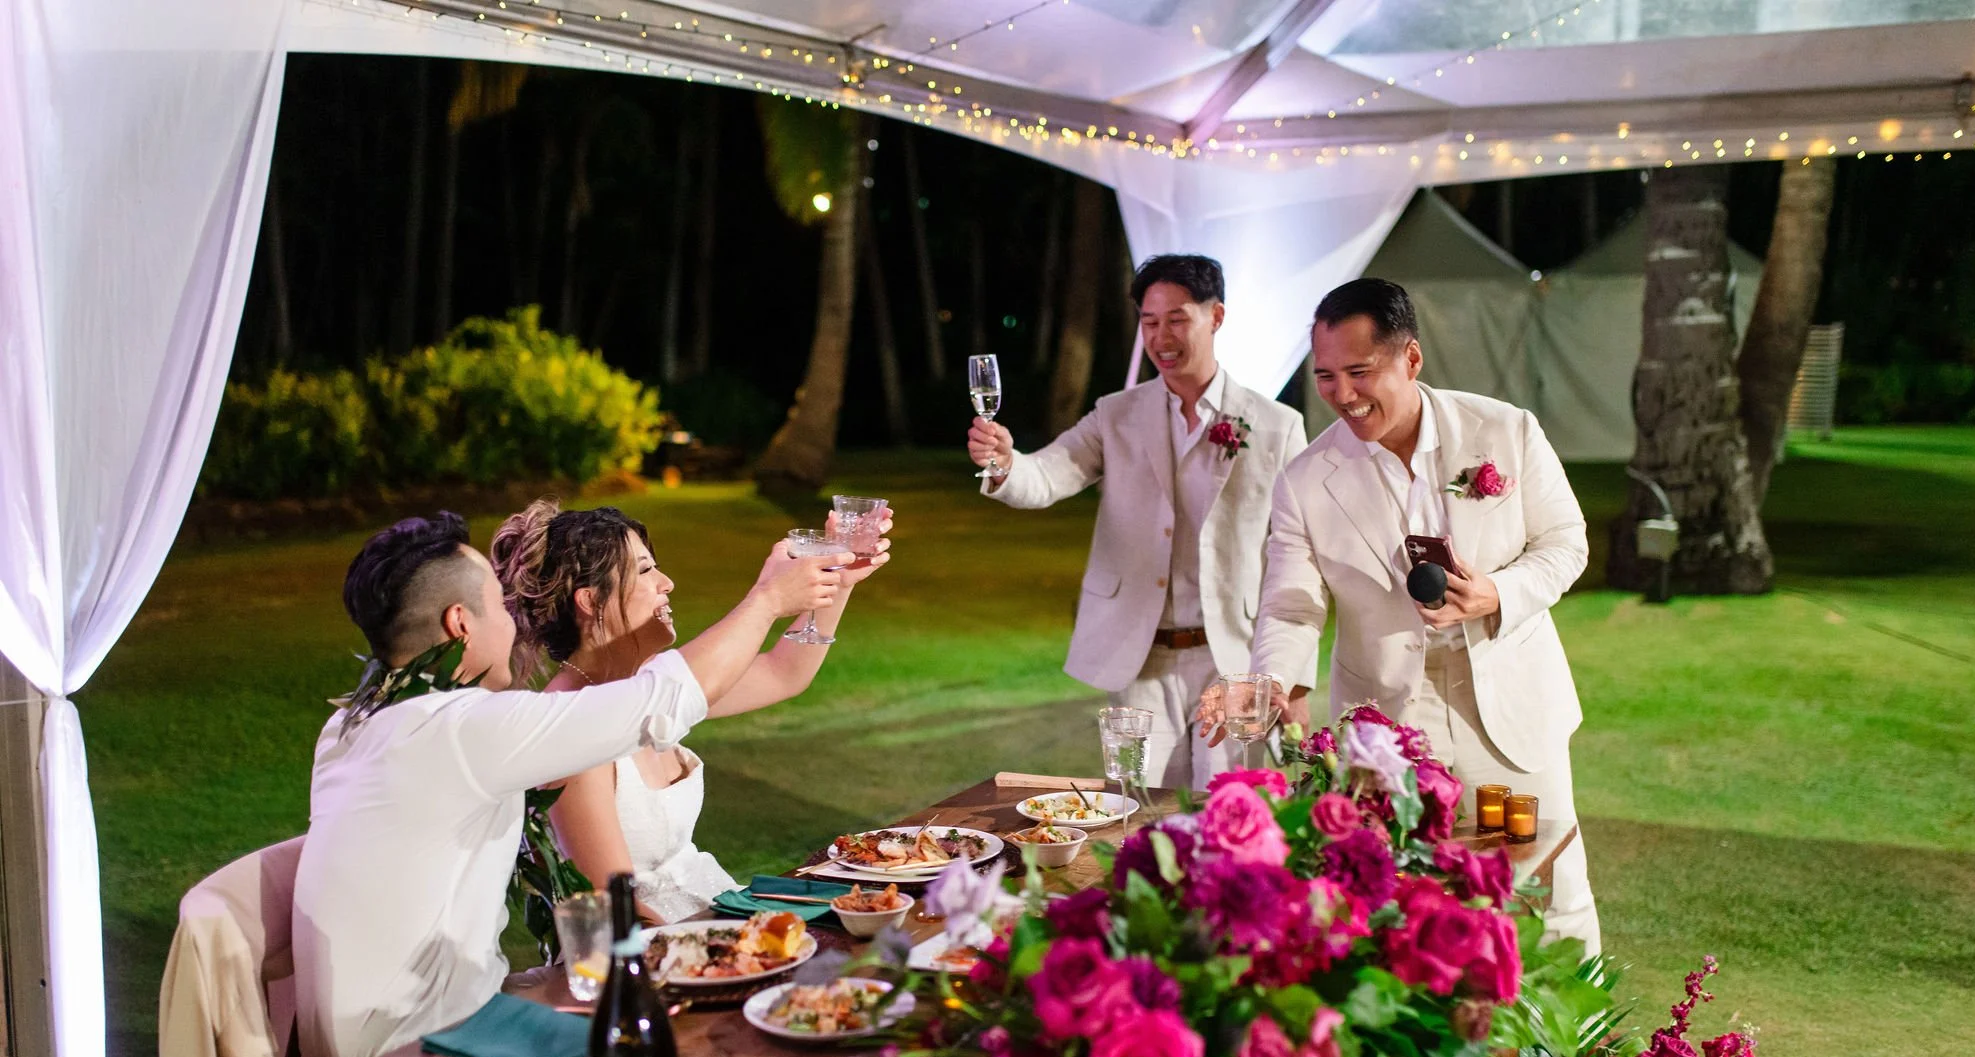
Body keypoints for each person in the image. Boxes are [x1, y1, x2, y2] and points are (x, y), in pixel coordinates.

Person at [291, 511, 848, 1057]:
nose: (515, 623)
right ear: (460, 623)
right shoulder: (466, 729)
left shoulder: (356, 725)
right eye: (497, 605)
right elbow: (660, 699)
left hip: (388, 1026)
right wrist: (767, 599)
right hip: (418, 1044)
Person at [1240, 278, 1601, 955]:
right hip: (1388, 723)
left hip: (1510, 701)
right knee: (1407, 907)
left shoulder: (1506, 430)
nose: (1342, 394)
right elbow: (1290, 602)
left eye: (1359, 371)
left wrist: (1497, 592)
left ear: (1410, 358)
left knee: (1550, 894)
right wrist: (1274, 682)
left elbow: (1566, 543)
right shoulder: (1305, 480)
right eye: (1325, 377)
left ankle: (1581, 1028)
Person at [966, 253, 1307, 791]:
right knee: (1138, 810)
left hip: (1235, 659)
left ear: (1216, 317)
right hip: (1140, 659)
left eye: (1177, 320)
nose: (1161, 338)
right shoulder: (1115, 413)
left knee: (1233, 811)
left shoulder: (1276, 425)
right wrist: (1007, 462)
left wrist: (1294, 681)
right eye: (1149, 322)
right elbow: (1047, 475)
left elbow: (1300, 558)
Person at [489, 501, 892, 924]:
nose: (667, 583)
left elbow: (783, 673)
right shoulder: (571, 729)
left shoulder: (644, 689)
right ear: (591, 601)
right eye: (645, 570)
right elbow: (618, 910)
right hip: (659, 944)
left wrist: (837, 583)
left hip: (721, 910)